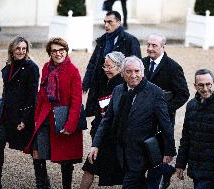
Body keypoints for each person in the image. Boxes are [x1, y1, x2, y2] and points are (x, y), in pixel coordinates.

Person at [89, 56, 176, 188]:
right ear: (122, 73)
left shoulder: (155, 92)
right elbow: (107, 120)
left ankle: (164, 170)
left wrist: (169, 150)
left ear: (142, 72)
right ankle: (165, 172)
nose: (133, 75)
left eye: (137, 71)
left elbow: (165, 124)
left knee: (129, 184)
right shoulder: (118, 90)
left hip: (141, 151)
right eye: (129, 71)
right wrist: (96, 144)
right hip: (120, 150)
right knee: (139, 184)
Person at [24, 37, 83, 189]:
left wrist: (70, 125)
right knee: (37, 151)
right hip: (45, 116)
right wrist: (37, 117)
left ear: (66, 51)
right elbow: (41, 94)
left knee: (66, 159)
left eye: (61, 50)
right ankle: (42, 185)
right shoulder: (46, 67)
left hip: (63, 119)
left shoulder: (73, 71)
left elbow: (76, 102)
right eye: (54, 51)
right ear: (50, 53)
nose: (58, 54)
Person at [0, 36, 40, 189]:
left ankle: (43, 183)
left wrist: (24, 119)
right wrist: (1, 112)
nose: (21, 51)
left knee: (34, 150)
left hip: (23, 116)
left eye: (24, 49)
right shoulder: (9, 65)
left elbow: (33, 96)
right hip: (7, 116)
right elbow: (7, 92)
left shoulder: (32, 67)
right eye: (18, 48)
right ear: (12, 50)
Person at [142, 33, 189, 189]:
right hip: (141, 119)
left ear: (163, 47)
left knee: (158, 155)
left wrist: (163, 110)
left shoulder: (173, 67)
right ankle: (167, 170)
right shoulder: (141, 64)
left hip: (162, 122)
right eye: (148, 44)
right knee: (142, 154)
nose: (149, 48)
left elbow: (183, 94)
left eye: (154, 45)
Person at [82, 10, 141, 118]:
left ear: (118, 22)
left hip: (119, 86)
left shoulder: (130, 40)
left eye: (110, 22)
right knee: (99, 118)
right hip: (101, 85)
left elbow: (137, 66)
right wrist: (85, 85)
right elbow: (93, 63)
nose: (106, 25)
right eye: (105, 22)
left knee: (115, 117)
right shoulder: (102, 40)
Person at [79, 51, 125, 189]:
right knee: (90, 166)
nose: (106, 70)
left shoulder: (121, 85)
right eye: (105, 66)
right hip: (102, 133)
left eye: (109, 67)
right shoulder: (106, 80)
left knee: (125, 172)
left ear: (119, 67)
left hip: (113, 136)